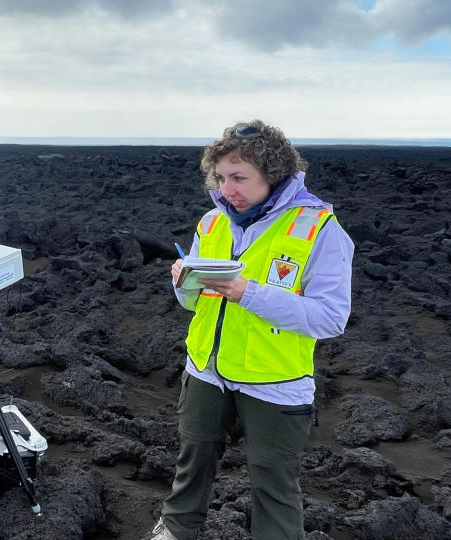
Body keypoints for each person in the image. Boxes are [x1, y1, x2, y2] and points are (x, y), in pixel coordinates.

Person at [145, 120, 354, 540]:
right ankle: (175, 530)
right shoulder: (212, 223)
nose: (227, 189)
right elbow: (192, 303)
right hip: (206, 369)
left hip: (274, 381)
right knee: (193, 461)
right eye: (220, 178)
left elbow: (331, 317)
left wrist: (248, 294)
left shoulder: (318, 230)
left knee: (274, 482)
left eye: (239, 177)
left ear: (272, 174)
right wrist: (182, 280)